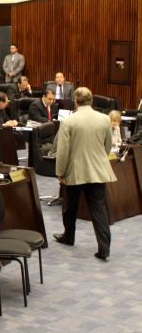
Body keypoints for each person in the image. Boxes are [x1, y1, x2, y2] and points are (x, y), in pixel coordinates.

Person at [54, 87, 116, 260]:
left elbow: (63, 150)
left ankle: (69, 237)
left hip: (74, 171)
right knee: (99, 209)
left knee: (69, 207)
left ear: (75, 101)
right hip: (97, 170)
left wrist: (60, 171)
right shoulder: (105, 119)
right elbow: (107, 146)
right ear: (92, 100)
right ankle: (104, 248)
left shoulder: (69, 121)